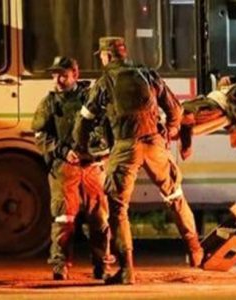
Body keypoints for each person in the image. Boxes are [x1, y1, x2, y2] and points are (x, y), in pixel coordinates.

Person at [74, 37, 204, 285]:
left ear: (107, 56)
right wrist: (170, 129)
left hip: (126, 147)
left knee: (118, 209)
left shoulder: (104, 82)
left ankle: (127, 271)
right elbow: (175, 110)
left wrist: (81, 148)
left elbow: (85, 120)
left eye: (101, 55)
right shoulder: (147, 73)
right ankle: (196, 250)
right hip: (155, 144)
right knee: (175, 195)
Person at [31, 56, 112, 280]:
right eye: (55, 74)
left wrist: (100, 152)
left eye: (63, 75)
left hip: (93, 167)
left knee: (99, 219)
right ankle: (60, 266)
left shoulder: (92, 97)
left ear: (75, 74)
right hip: (64, 168)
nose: (58, 79)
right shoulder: (50, 102)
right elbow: (40, 135)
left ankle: (102, 265)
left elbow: (106, 126)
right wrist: (63, 151)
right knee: (63, 218)